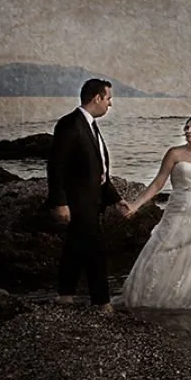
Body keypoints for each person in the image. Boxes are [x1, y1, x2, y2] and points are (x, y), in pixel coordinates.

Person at [119, 114, 191, 309]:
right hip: (180, 208)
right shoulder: (174, 153)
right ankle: (161, 295)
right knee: (167, 246)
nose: (188, 131)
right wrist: (135, 205)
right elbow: (158, 183)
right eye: (187, 127)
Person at [47, 78, 127, 313]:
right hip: (78, 202)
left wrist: (116, 198)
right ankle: (102, 303)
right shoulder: (70, 124)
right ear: (97, 98)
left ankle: (65, 296)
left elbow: (99, 171)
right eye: (108, 98)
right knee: (96, 251)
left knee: (74, 247)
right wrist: (60, 202)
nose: (110, 104)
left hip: (93, 200)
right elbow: (56, 166)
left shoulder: (90, 124)